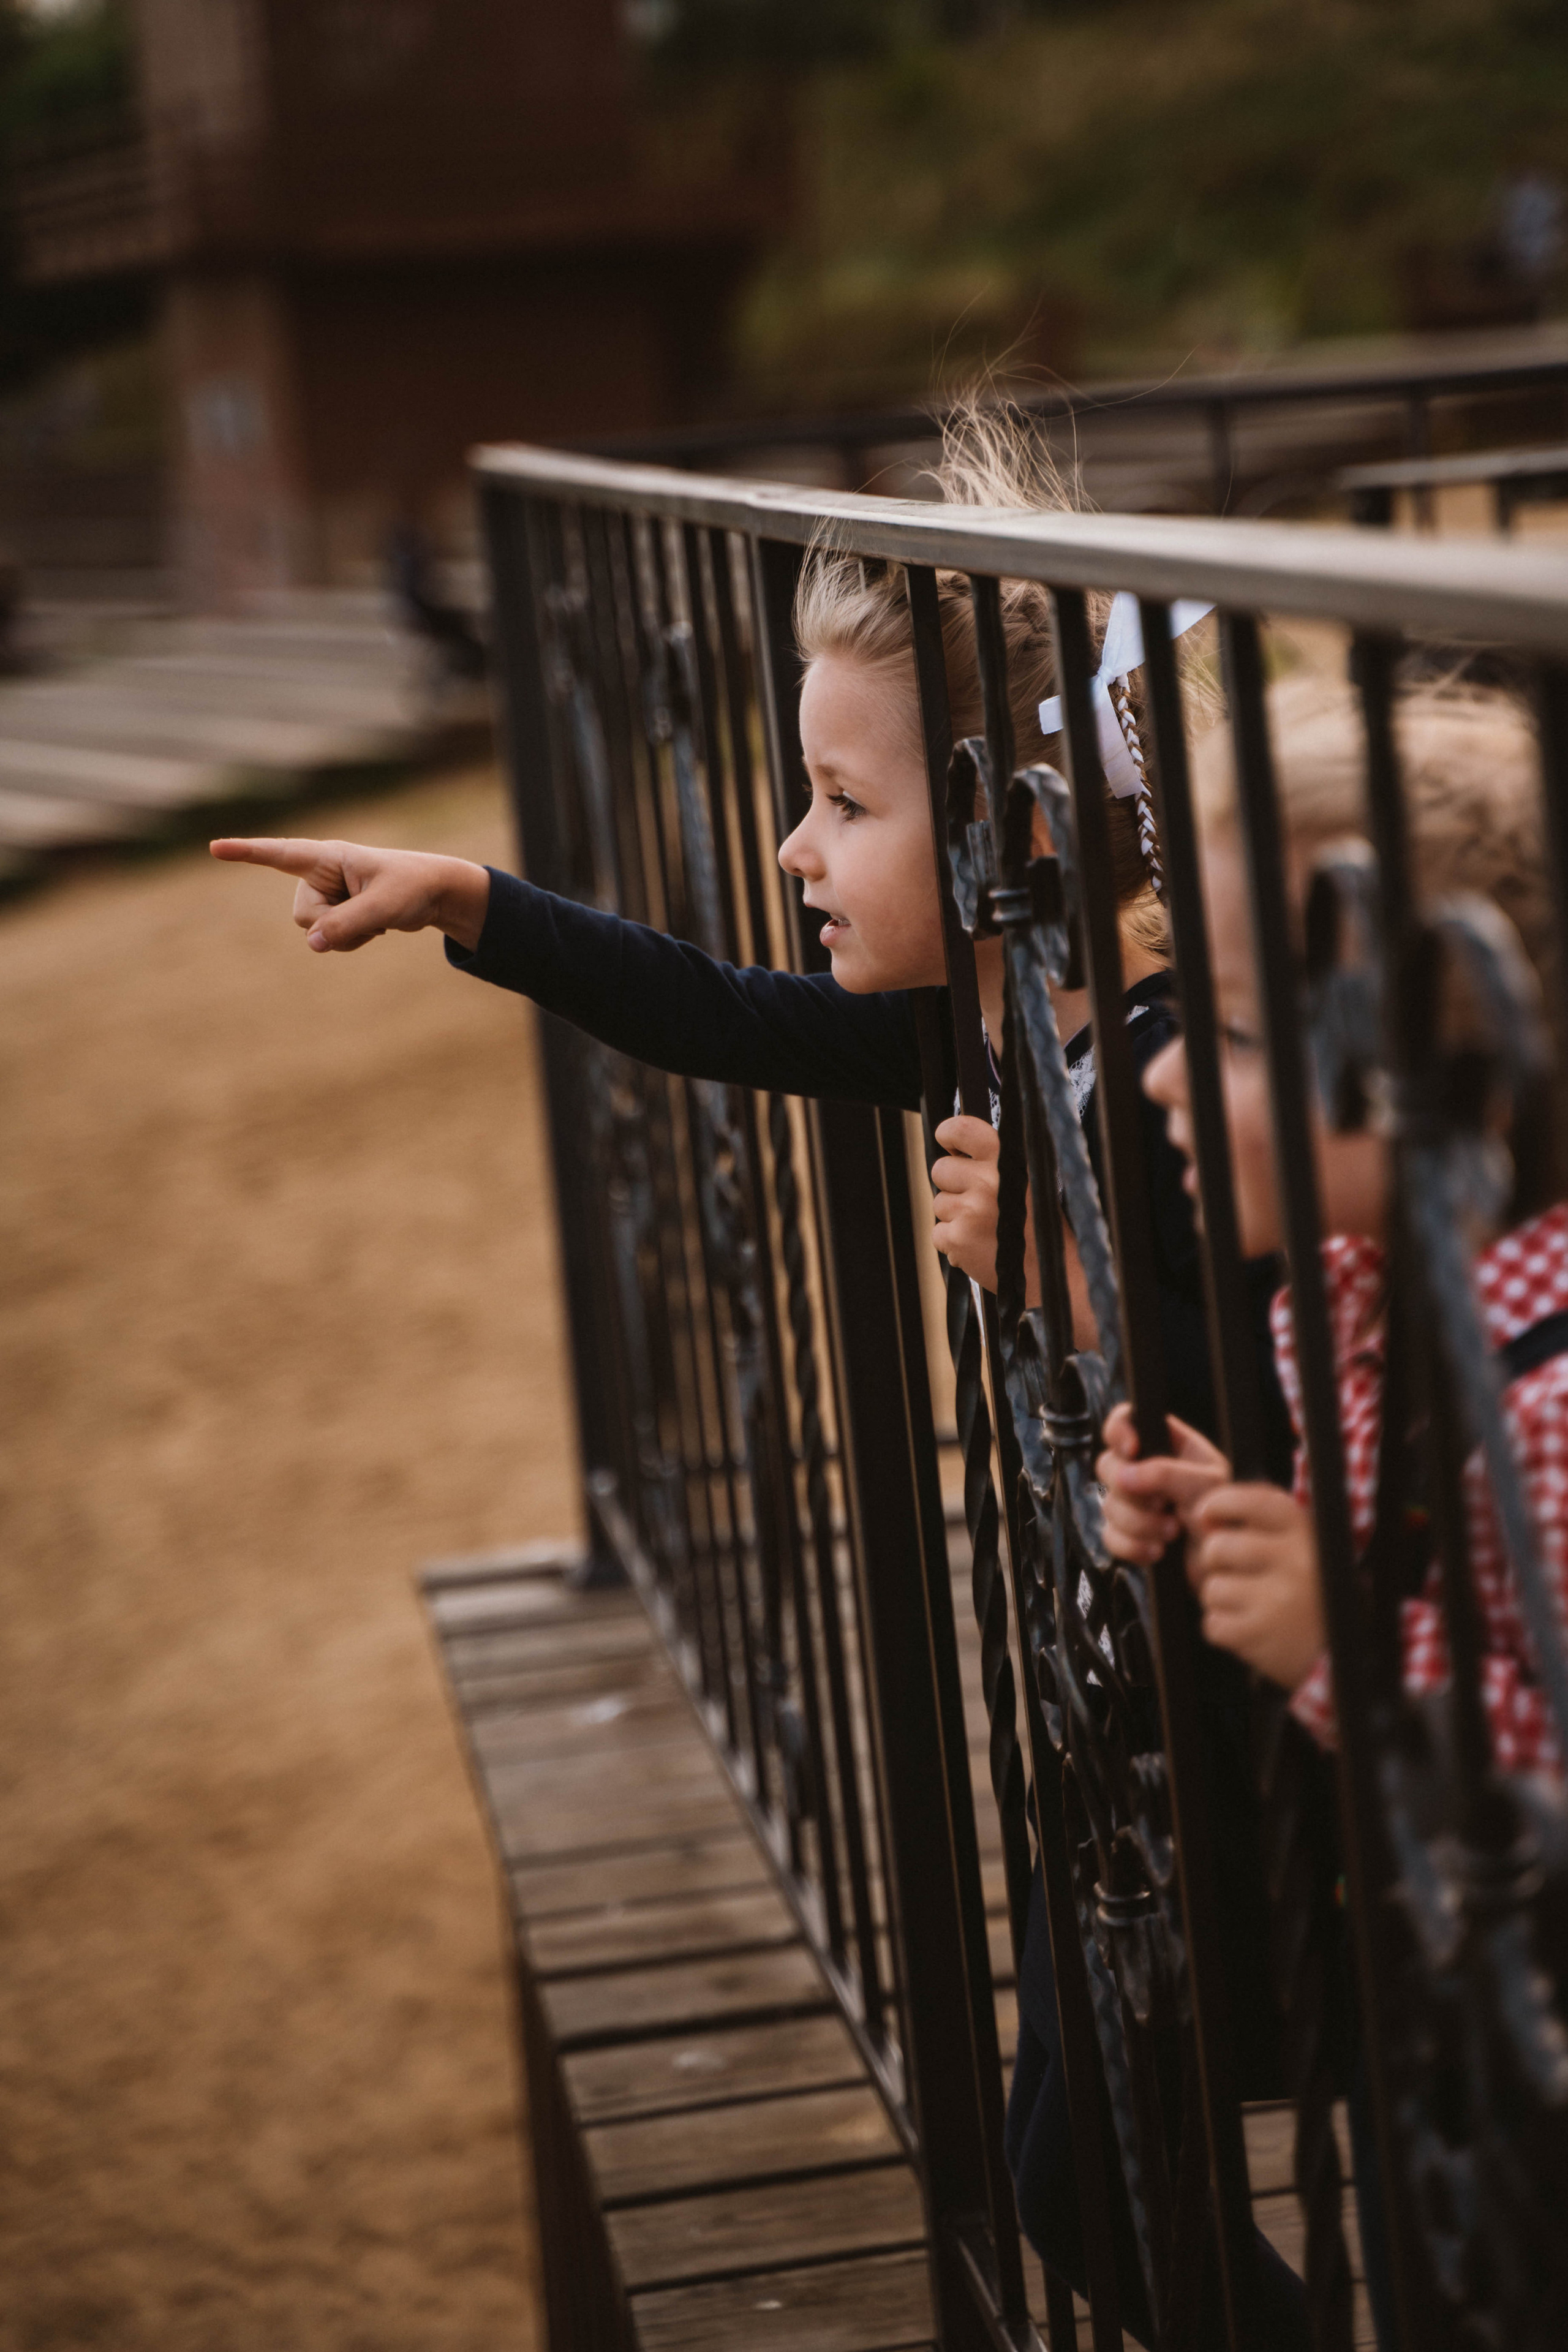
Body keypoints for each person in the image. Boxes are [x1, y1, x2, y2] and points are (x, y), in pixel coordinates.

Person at [212, 409, 1301, 2344]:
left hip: (1239, 1754)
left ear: (1010, 832)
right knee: (1076, 2167)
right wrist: (476, 899)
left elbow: (1280, 1412)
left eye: (840, 805)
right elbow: (721, 1013)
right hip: (1102, 1727)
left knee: (1099, 2173)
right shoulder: (964, 1025)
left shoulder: (1159, 1063)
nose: (793, 846)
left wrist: (1066, 1269)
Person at [1095, 673, 1568, 2343]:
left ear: (1443, 1053)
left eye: (1224, 1031)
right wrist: (1247, 1517)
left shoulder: (1546, 1391)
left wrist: (1345, 1655)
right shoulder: (1365, 1292)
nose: (1154, 1077)